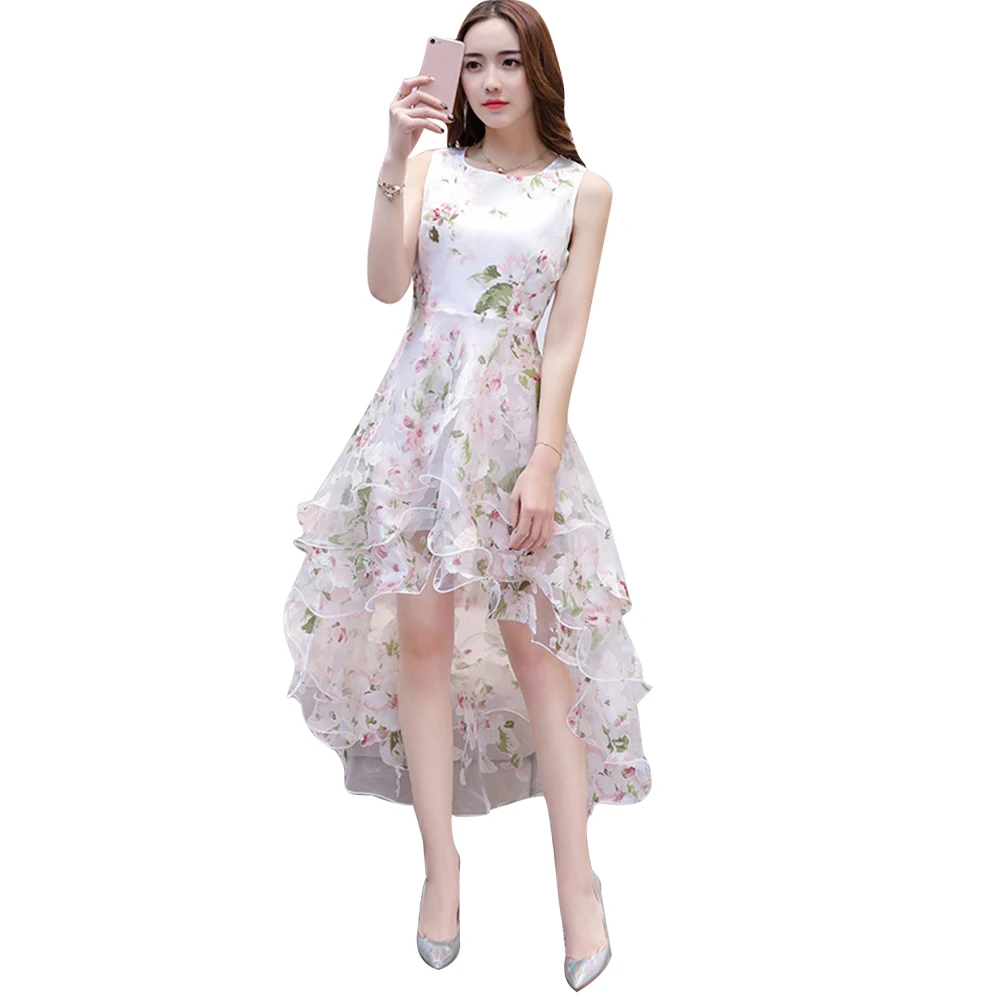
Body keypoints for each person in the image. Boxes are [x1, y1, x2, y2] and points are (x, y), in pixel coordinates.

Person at [282, 1, 651, 989]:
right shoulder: (430, 171)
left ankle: (578, 883)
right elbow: (382, 285)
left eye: (509, 63)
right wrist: (391, 152)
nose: (489, 81)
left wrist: (542, 459)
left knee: (543, 660)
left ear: (539, 72)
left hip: (515, 435)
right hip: (415, 428)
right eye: (474, 63)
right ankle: (439, 867)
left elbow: (564, 335)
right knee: (424, 644)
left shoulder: (581, 190)